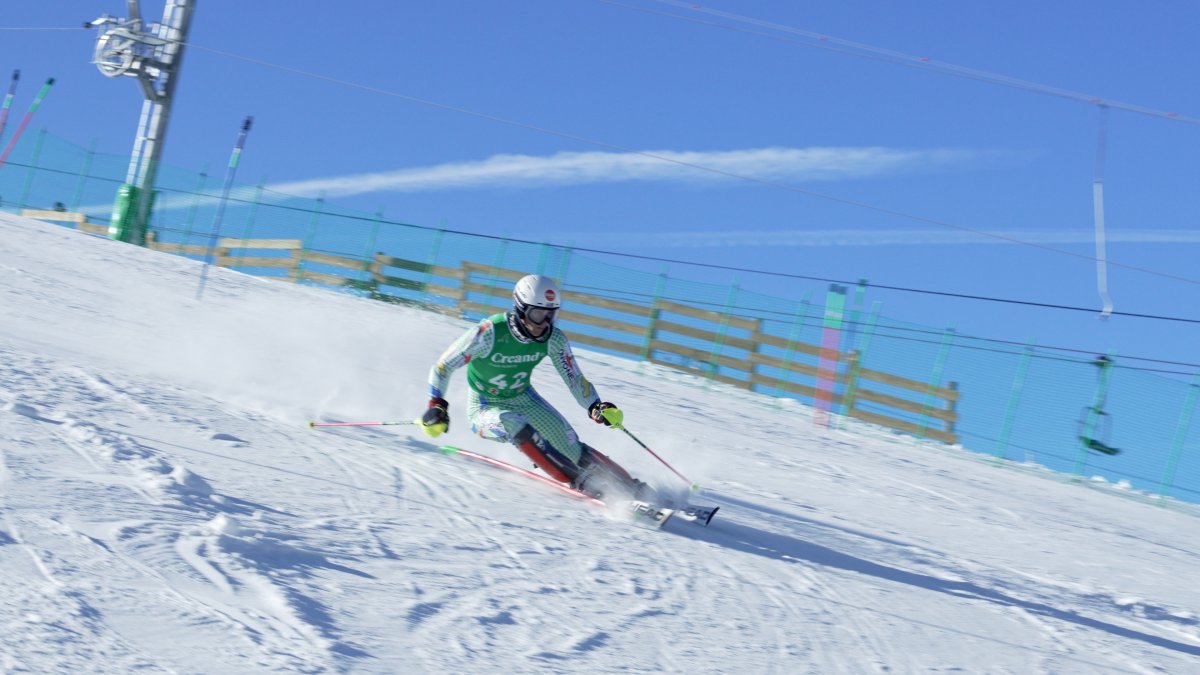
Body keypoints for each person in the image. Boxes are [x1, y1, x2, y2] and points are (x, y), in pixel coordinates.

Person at [419, 274, 651, 501]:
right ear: (520, 309)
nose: (545, 323)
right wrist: (437, 404)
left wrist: (595, 406)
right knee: (513, 423)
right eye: (538, 314)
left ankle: (633, 489)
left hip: (523, 398)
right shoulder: (489, 333)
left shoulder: (554, 339)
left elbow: (574, 378)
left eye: (551, 315)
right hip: (484, 405)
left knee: (571, 447)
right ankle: (580, 481)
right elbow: (443, 367)